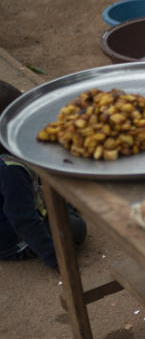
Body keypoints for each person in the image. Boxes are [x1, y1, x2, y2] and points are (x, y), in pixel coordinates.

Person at [0, 81, 87, 271]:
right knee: (74, 228)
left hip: (10, 215)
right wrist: (55, 258)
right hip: (13, 241)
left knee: (55, 189)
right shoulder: (11, 170)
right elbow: (23, 220)